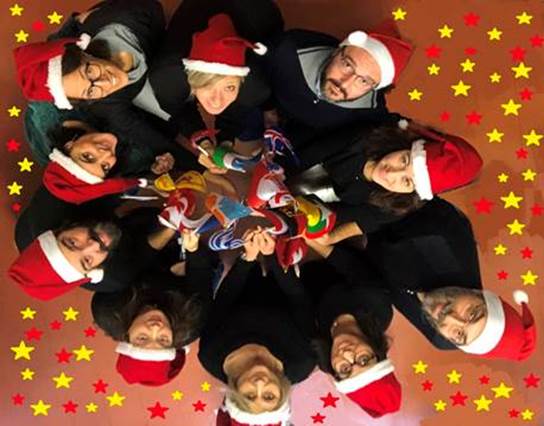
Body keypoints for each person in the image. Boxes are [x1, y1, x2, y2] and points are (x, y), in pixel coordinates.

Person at [13, 0, 192, 171]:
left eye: (90, 72)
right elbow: (148, 137)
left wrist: (76, 22)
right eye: (91, 91)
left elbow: (51, 51)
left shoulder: (129, 17)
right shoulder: (105, 104)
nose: (105, 82)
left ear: (86, 52)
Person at [289, 120, 483, 244]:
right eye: (404, 160)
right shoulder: (367, 134)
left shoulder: (399, 204)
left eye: (407, 181)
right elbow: (306, 154)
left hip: (321, 199)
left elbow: (361, 222)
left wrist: (330, 237)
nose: (392, 173)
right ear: (406, 146)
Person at [198, 229, 315, 424]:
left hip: (238, 268)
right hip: (289, 270)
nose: (260, 384)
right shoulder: (301, 362)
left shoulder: (211, 356)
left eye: (250, 395)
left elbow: (223, 300)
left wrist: (247, 258)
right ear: (282, 394)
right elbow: (299, 299)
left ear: (235, 392)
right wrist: (273, 257)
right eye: (269, 396)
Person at [149, 0, 284, 152]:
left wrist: (225, 142)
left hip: (258, 11)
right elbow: (177, 109)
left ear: (242, 81)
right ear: (192, 78)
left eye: (230, 87)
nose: (217, 101)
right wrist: (201, 138)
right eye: (207, 84)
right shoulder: (166, 77)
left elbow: (235, 114)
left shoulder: (255, 87)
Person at [262, 20, 413, 147]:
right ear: (336, 52)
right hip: (263, 105)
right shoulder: (289, 49)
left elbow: (387, 126)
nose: (345, 83)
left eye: (363, 81)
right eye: (348, 65)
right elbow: (259, 69)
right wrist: (267, 107)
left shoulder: (369, 107)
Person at [91, 234, 217, 386]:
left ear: (127, 337)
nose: (155, 328)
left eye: (142, 338)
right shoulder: (193, 324)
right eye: (163, 340)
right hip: (187, 248)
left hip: (138, 240)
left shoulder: (107, 309)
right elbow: (202, 272)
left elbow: (124, 261)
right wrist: (193, 249)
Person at [301, 250, 401, 418]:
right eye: (363, 360)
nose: (347, 354)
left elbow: (295, 300)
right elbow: (350, 261)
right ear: (377, 352)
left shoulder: (313, 348)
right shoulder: (379, 309)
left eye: (345, 369)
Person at [8, 218, 122, 300]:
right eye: (87, 260)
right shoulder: (118, 277)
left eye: (72, 242)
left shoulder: (49, 209)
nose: (95, 245)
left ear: (60, 230)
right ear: (94, 271)